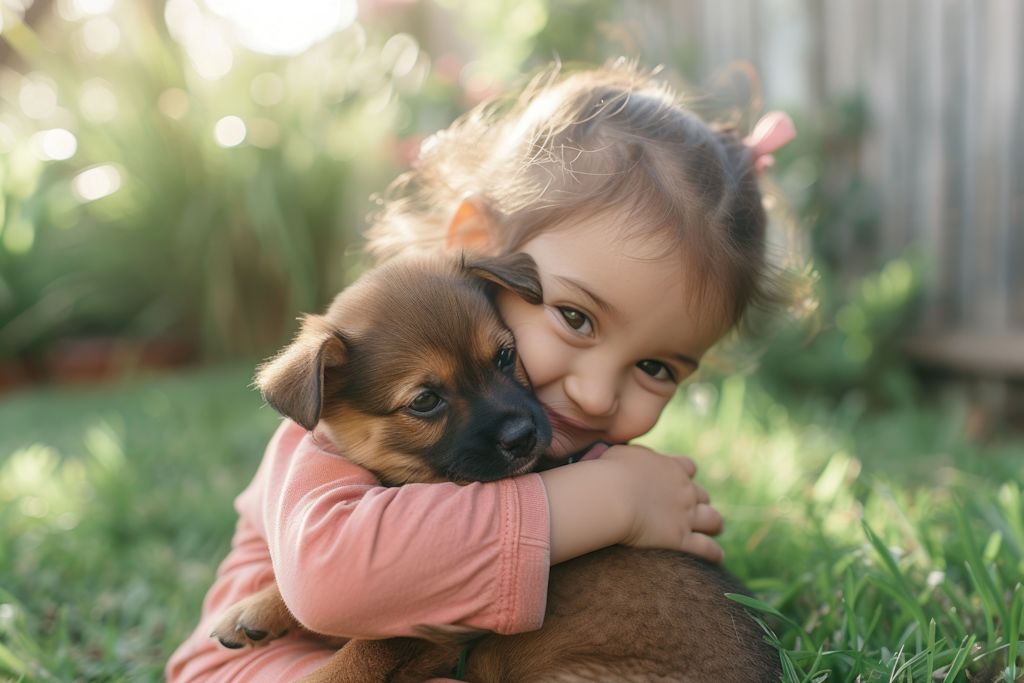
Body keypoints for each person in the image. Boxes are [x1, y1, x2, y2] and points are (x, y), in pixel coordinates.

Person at [166, 59, 795, 681]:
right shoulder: (316, 447)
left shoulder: (551, 428)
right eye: (575, 318)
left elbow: (453, 612)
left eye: (656, 366)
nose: (597, 394)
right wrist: (611, 501)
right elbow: (334, 585)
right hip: (254, 663)